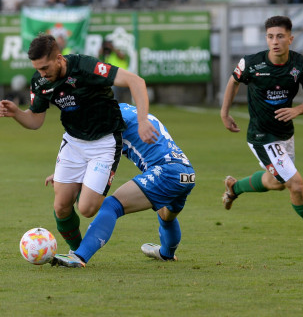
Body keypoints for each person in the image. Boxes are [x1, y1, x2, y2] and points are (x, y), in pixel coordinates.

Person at [0, 34, 157, 251]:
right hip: (73, 143)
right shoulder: (40, 81)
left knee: (87, 208)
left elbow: (135, 81)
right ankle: (78, 252)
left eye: (45, 67)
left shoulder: (86, 67)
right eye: (38, 69)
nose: (41, 73)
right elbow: (35, 121)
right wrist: (16, 113)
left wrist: (143, 120)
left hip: (104, 143)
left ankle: (86, 185)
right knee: (61, 207)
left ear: (59, 59)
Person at [219, 15, 303, 244]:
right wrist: (224, 113)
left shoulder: (299, 64)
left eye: (280, 36)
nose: (275, 41)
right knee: (296, 185)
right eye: (271, 37)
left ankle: (235, 187)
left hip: (285, 134)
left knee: (278, 184)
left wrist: (297, 110)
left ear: (290, 39)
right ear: (266, 38)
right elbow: (234, 81)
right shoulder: (252, 63)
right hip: (262, 136)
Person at [51, 103, 195, 267]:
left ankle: (79, 256)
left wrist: (68, 174)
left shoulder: (111, 120)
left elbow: (97, 154)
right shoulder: (127, 109)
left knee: (111, 206)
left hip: (166, 172)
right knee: (166, 215)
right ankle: (166, 254)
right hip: (186, 173)